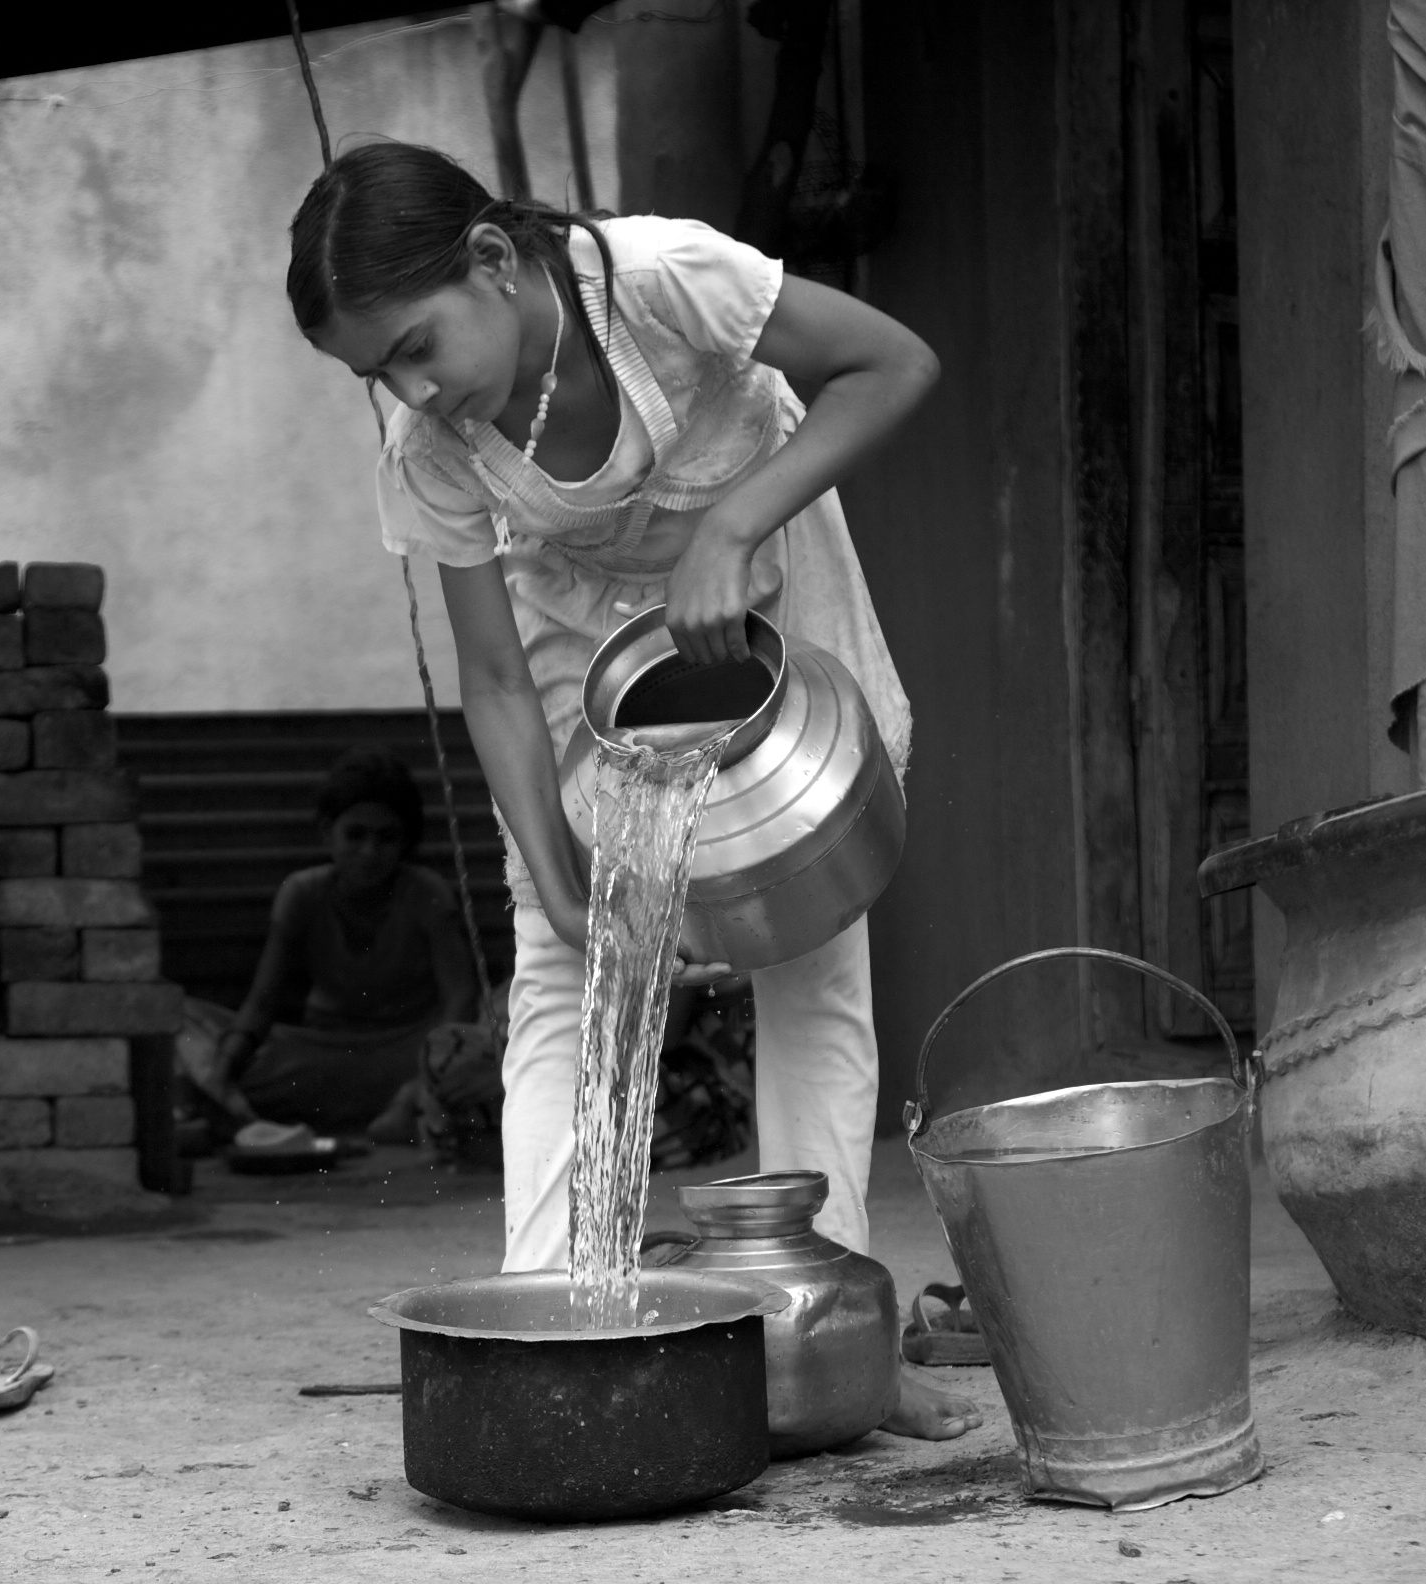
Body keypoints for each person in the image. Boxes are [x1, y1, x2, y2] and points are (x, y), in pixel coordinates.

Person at [287, 142, 975, 1439]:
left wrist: (735, 523)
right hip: (574, 626)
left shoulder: (661, 281)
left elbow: (896, 361)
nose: (410, 391)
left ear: (493, 262)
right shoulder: (430, 444)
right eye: (376, 374)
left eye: (418, 348)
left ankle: (822, 1352)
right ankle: (546, 1330)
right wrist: (559, 883)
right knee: (559, 969)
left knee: (813, 949)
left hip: (761, 562)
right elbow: (493, 675)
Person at [180, 749, 479, 1137]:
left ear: (405, 842)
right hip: (319, 1053)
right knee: (182, 1019)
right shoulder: (302, 893)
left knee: (506, 1019)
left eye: (386, 838)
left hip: (407, 1053)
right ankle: (401, 1107)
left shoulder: (427, 894)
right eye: (355, 835)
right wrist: (221, 1075)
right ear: (327, 833)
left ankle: (411, 1100)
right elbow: (260, 1005)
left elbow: (461, 999)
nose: (369, 852)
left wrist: (428, 1074)